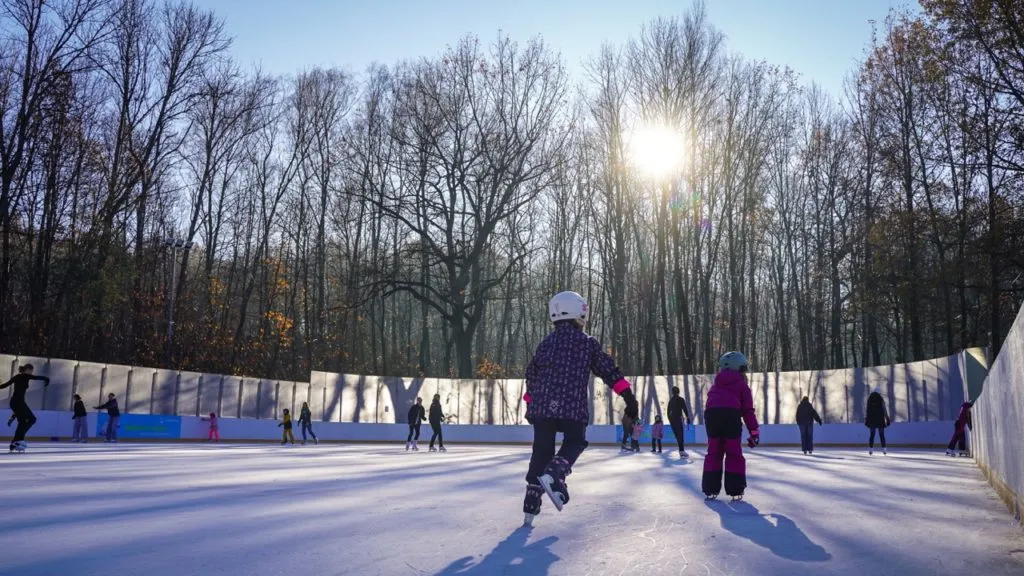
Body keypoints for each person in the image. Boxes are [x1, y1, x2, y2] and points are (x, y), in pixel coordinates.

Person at [521, 291, 639, 526]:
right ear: (578, 314)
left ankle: (530, 503)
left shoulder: (545, 344)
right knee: (575, 441)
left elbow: (531, 376)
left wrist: (530, 403)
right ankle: (556, 472)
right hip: (571, 405)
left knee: (541, 450)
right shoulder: (586, 343)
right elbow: (608, 371)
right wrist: (628, 396)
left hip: (543, 408)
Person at [702, 351, 759, 501]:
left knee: (714, 452)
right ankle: (735, 489)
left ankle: (710, 489)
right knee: (733, 453)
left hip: (712, 416)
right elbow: (747, 411)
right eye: (744, 369)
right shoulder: (742, 385)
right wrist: (754, 431)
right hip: (730, 416)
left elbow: (709, 406)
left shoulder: (715, 386)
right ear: (739, 369)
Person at [0, 364, 50, 452]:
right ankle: (18, 440)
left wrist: (13, 416)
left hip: (15, 402)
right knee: (31, 419)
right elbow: (36, 377)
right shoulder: (26, 376)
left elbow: (5, 385)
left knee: (23, 421)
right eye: (31, 370)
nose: (31, 373)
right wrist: (46, 379)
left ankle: (15, 442)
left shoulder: (17, 377)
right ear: (27, 369)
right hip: (18, 402)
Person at [667, 386, 693, 458]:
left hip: (673, 420)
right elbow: (684, 408)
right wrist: (687, 417)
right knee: (680, 435)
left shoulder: (671, 400)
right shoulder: (680, 399)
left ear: (672, 392)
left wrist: (670, 420)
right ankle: (681, 451)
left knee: (678, 436)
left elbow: (668, 412)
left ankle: (681, 450)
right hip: (679, 419)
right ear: (678, 392)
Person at [865, 389, 890, 455]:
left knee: (872, 435)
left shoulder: (869, 399)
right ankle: (884, 449)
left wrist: (867, 419)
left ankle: (871, 449)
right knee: (881, 435)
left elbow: (867, 410)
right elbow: (884, 409)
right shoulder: (881, 399)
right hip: (880, 420)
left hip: (871, 420)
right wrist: (887, 418)